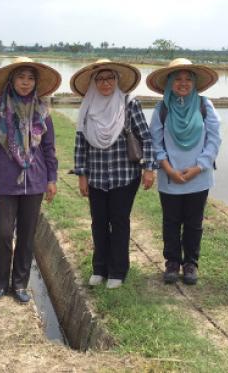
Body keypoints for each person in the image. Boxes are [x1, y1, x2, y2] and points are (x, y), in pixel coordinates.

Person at [0, 57, 61, 304]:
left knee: (27, 235)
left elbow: (49, 148)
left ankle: (20, 284)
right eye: (20, 77)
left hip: (35, 182)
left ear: (35, 83)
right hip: (4, 182)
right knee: (3, 233)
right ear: (11, 81)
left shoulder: (43, 112)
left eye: (30, 78)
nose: (25, 83)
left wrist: (52, 179)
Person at [72, 59, 156, 289]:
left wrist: (149, 168)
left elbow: (145, 137)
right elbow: (81, 143)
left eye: (110, 78)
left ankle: (118, 270)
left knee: (119, 222)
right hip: (97, 176)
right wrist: (82, 174)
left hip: (124, 175)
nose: (105, 83)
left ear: (117, 81)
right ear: (93, 83)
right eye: (99, 79)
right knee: (98, 222)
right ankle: (100, 268)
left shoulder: (129, 104)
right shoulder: (87, 108)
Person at [147, 59, 221, 285]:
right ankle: (172, 262)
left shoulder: (204, 105)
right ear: (169, 83)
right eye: (177, 79)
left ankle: (190, 263)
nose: (183, 83)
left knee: (194, 222)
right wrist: (168, 169)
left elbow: (214, 139)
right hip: (169, 176)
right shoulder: (163, 108)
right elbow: (155, 143)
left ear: (195, 83)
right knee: (170, 221)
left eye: (188, 79)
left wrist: (199, 166)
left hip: (199, 176)